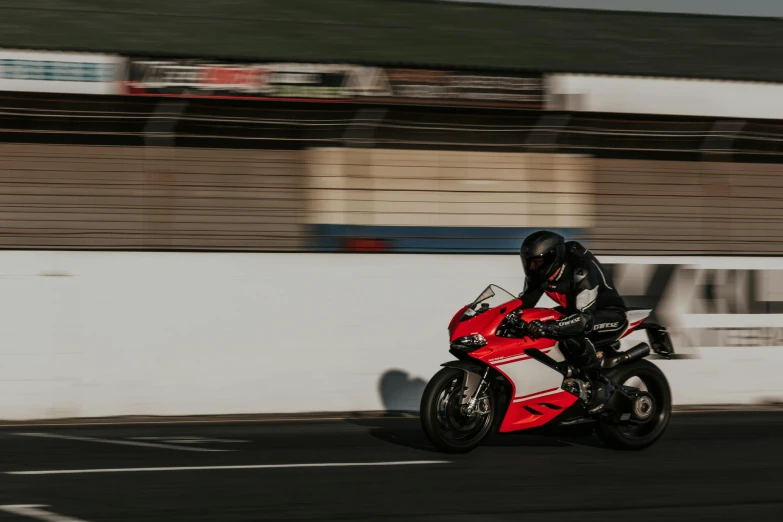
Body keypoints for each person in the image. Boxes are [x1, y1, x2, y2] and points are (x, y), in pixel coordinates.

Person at [510, 230, 628, 414]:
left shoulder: (581, 269)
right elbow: (524, 306)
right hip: (575, 312)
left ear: (552, 258)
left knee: (571, 334)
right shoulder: (538, 275)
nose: (532, 268)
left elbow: (584, 319)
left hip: (607, 314)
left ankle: (599, 384)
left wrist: (550, 327)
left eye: (537, 262)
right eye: (529, 262)